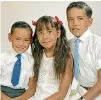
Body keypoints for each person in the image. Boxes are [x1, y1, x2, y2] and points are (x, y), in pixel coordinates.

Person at [31, 15, 73, 100]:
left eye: (49, 31)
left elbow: (62, 93)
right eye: (40, 33)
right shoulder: (37, 56)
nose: (45, 37)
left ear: (58, 33)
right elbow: (33, 88)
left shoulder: (66, 58)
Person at [66, 1, 101, 100]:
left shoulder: (97, 43)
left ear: (89, 22)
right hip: (80, 90)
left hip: (97, 92)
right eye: (70, 19)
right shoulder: (69, 44)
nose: (75, 23)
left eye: (80, 19)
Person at [0, 21, 36, 100]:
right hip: (1, 92)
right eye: (17, 39)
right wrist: (4, 98)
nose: (21, 44)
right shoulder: (2, 58)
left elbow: (32, 89)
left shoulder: (32, 61)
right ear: (10, 37)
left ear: (31, 40)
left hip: (22, 95)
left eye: (26, 40)